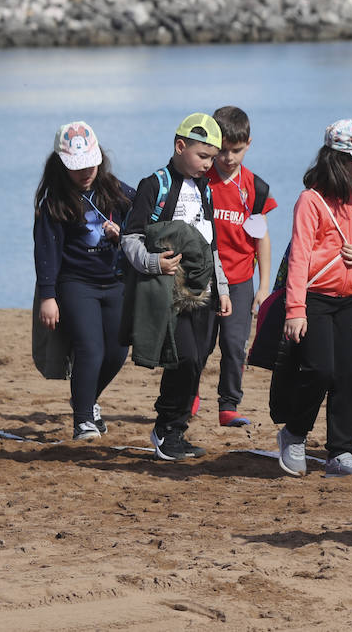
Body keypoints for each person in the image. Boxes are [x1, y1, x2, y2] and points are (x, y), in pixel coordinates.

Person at [273, 120, 352, 479]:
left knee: (349, 377)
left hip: (351, 301)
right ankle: (294, 434)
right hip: (314, 299)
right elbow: (299, 258)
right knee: (319, 370)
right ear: (339, 160)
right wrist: (295, 310)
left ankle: (341, 453)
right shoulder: (310, 201)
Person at [120, 113, 232, 461]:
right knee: (182, 358)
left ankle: (177, 431)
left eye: (213, 157)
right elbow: (130, 237)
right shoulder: (154, 185)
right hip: (167, 292)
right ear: (180, 146)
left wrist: (223, 288)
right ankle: (164, 429)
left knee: (198, 359)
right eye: (203, 156)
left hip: (204, 292)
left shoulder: (205, 189)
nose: (209, 164)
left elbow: (211, 245)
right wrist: (156, 264)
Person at [33, 122, 134, 440]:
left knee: (117, 352)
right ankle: (82, 422)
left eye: (90, 164)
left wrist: (125, 234)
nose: (85, 172)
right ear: (62, 165)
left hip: (115, 282)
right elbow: (46, 251)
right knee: (90, 349)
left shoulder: (116, 191)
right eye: (77, 167)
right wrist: (48, 296)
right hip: (76, 284)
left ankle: (87, 402)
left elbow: (144, 217)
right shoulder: (54, 202)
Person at [202, 105, 277, 428]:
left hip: (240, 280)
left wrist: (263, 287)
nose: (228, 158)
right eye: (222, 151)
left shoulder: (255, 188)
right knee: (199, 346)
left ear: (248, 144)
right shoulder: (200, 181)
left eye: (236, 150)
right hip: (202, 279)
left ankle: (228, 405)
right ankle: (189, 395)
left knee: (234, 346)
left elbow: (261, 239)